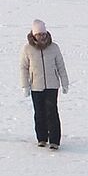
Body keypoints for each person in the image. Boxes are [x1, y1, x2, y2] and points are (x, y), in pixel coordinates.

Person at [19, 19, 69, 149]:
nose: (42, 37)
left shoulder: (54, 47)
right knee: (39, 112)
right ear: (34, 35)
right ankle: (41, 138)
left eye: (43, 34)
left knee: (52, 112)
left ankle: (54, 141)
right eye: (39, 34)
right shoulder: (27, 49)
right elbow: (24, 68)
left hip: (52, 85)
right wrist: (25, 85)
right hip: (36, 85)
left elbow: (61, 66)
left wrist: (65, 83)